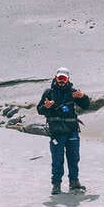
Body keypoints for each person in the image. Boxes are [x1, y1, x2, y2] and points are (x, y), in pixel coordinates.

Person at [36, 67, 90, 195]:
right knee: (57, 159)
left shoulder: (73, 92)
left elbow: (86, 105)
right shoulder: (49, 93)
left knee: (74, 157)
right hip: (56, 132)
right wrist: (46, 106)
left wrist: (83, 97)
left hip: (72, 130)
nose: (61, 80)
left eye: (64, 78)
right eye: (59, 78)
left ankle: (74, 182)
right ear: (55, 78)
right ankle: (56, 185)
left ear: (68, 79)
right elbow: (39, 110)